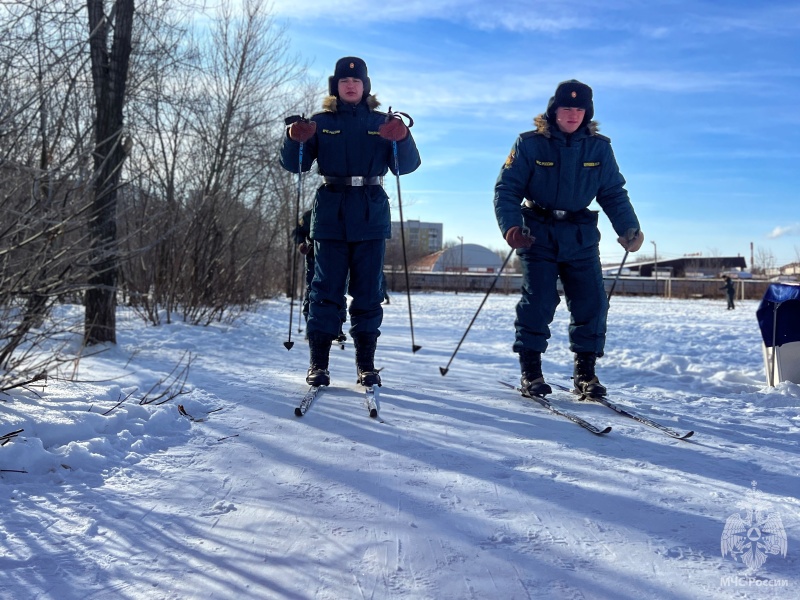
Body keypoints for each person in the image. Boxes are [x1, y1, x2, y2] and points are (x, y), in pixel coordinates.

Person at [494, 79, 644, 398]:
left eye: (579, 109)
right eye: (567, 108)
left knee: (593, 301)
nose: (573, 114)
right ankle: (531, 372)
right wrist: (511, 227)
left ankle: (585, 373)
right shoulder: (529, 144)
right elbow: (507, 189)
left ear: (587, 113)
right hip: (537, 233)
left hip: (580, 235)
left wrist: (629, 229)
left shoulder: (599, 148)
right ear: (554, 111)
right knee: (539, 300)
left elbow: (613, 193)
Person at [281, 56, 421, 388]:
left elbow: (406, 166)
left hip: (371, 213)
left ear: (365, 87)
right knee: (325, 290)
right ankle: (319, 363)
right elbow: (295, 164)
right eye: (344, 81)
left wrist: (402, 137)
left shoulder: (382, 121)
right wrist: (293, 137)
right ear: (336, 86)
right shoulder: (319, 122)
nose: (350, 85)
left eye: (356, 81)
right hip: (330, 212)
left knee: (368, 291)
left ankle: (366, 365)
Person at [293, 209, 347, 341]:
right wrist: (301, 243)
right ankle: (311, 327)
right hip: (314, 258)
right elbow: (298, 232)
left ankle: (337, 328)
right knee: (313, 292)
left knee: (338, 291)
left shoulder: (345, 210)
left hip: (339, 258)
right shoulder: (310, 214)